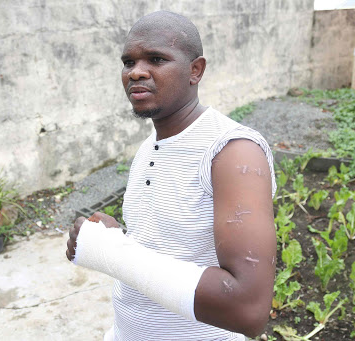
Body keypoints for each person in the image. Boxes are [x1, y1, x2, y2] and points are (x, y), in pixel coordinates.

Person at [66, 10, 277, 341]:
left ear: (195, 70)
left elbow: (247, 309)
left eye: (155, 59)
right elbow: (162, 249)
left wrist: (107, 250)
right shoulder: (149, 147)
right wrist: (117, 237)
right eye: (128, 62)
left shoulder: (232, 152)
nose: (136, 72)